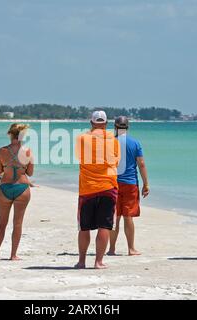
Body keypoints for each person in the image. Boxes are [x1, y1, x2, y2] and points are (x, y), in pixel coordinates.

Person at [75, 111, 120, 269]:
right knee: (104, 226)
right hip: (108, 186)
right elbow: (116, 161)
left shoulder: (81, 138)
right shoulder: (113, 140)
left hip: (87, 188)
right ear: (106, 123)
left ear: (91, 122)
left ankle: (81, 261)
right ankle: (98, 262)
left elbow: (80, 158)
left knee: (84, 227)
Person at [0, 123, 34, 261]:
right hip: (22, 188)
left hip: (5, 188)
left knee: (2, 223)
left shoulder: (2, 151)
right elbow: (30, 173)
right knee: (18, 223)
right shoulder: (28, 152)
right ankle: (13, 255)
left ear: (10, 134)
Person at [108, 116, 150, 256]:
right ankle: (131, 249)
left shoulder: (109, 142)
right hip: (130, 183)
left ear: (115, 126)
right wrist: (146, 184)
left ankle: (112, 249)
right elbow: (141, 164)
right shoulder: (135, 143)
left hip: (112, 183)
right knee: (128, 217)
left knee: (115, 217)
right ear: (128, 127)